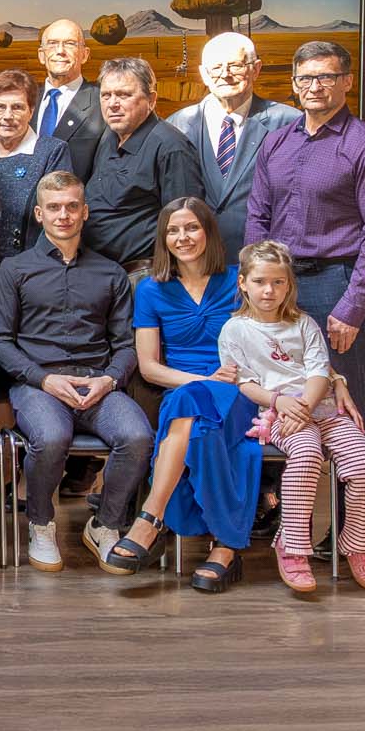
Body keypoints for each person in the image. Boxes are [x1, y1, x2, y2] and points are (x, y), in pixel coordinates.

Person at [0, 170, 146, 571]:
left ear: (85, 212)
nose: (64, 215)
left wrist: (109, 379)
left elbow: (127, 345)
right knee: (51, 436)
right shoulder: (14, 269)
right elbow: (0, 343)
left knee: (137, 436)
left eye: (72, 207)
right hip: (38, 383)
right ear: (40, 214)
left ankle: (106, 523)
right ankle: (41, 523)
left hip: (98, 381)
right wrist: (44, 379)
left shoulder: (110, 273)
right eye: (55, 208)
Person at [102, 197, 254, 591]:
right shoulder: (152, 289)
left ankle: (150, 520)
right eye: (173, 230)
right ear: (163, 237)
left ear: (208, 232)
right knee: (193, 414)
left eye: (191, 228)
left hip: (239, 390)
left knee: (197, 417)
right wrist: (200, 381)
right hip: (183, 387)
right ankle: (224, 548)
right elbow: (149, 366)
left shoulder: (239, 281)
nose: (182, 237)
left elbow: (277, 336)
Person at [219, 240, 365, 593]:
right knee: (307, 455)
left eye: (278, 282)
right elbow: (244, 382)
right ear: (243, 283)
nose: (269, 290)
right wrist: (279, 403)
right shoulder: (235, 330)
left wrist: (307, 406)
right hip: (278, 415)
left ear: (289, 285)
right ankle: (291, 547)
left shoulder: (305, 324)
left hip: (321, 408)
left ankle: (356, 544)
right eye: (261, 281)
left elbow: (319, 371)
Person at [246, 39, 365, 422]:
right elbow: (257, 215)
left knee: (345, 396)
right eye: (306, 78)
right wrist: (253, 279)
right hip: (278, 283)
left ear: (347, 81)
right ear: (295, 84)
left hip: (336, 283)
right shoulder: (276, 143)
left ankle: (359, 481)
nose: (315, 87)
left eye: (326, 77)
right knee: (278, 387)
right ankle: (288, 481)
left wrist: (352, 307)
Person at [163, 32, 297, 252]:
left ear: (256, 69)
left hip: (262, 264)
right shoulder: (176, 126)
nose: (225, 75)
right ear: (203, 74)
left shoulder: (287, 124)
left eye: (236, 66)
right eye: (216, 68)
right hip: (193, 263)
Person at [83, 56, 205, 280]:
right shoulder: (109, 136)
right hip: (101, 273)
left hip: (144, 277)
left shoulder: (171, 146)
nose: (113, 103)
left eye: (124, 94)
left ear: (151, 99)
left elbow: (185, 225)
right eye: (106, 95)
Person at [0, 70, 71, 302]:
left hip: (36, 279)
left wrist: (17, 278)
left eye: (18, 107)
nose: (8, 116)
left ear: (31, 111)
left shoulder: (52, 151)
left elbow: (57, 221)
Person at [34, 18, 107, 180]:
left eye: (70, 44)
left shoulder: (103, 103)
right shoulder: (25, 101)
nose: (60, 51)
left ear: (84, 55)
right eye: (52, 43)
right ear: (41, 55)